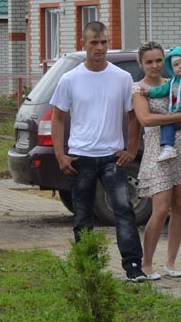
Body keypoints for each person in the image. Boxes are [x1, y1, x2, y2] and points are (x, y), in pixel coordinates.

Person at [50, 20, 146, 282]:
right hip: (81, 157)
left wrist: (131, 149)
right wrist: (61, 154)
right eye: (94, 42)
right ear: (83, 44)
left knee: (124, 209)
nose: (100, 47)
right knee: (82, 215)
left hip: (112, 157)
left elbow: (134, 117)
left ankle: (134, 267)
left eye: (104, 42)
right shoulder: (70, 79)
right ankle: (87, 267)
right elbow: (57, 118)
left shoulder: (122, 78)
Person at [131, 42, 181, 280]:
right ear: (141, 63)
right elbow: (145, 119)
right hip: (158, 151)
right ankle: (146, 263)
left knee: (180, 206)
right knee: (160, 208)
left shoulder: (176, 82)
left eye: (158, 60)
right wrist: (179, 117)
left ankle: (171, 262)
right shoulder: (139, 88)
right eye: (149, 61)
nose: (154, 66)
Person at [141, 45, 181, 162]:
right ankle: (169, 148)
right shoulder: (172, 81)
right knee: (170, 123)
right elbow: (161, 90)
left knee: (168, 123)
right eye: (176, 65)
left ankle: (168, 147)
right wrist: (149, 92)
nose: (180, 66)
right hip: (178, 113)